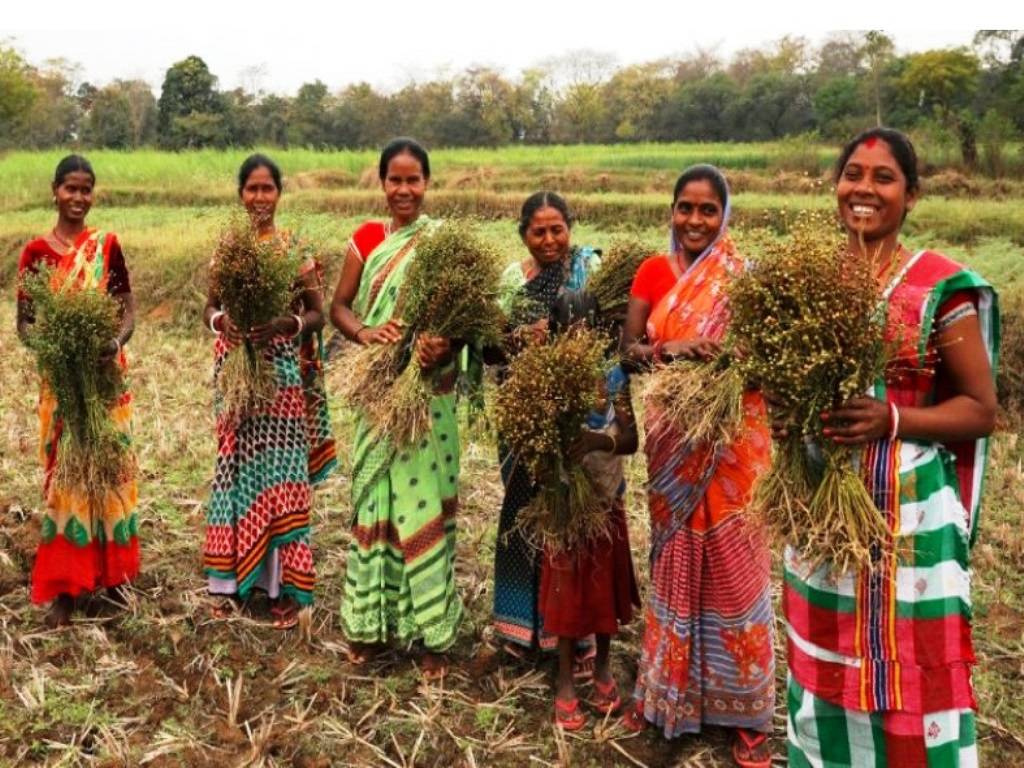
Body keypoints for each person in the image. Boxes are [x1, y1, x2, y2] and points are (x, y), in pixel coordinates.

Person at [782, 128, 998, 768]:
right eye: (853, 173)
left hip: (909, 515)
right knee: (823, 661)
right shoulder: (811, 281)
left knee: (911, 666)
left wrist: (893, 418)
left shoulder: (938, 288)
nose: (864, 189)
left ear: (912, 194)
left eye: (883, 177)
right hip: (823, 511)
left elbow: (980, 411)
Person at [620, 165, 775, 768]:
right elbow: (629, 353)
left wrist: (727, 367)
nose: (694, 221)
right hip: (671, 447)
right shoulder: (654, 273)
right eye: (685, 207)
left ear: (725, 215)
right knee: (675, 563)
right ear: (672, 210)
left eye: (708, 210)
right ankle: (669, 695)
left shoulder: (745, 280)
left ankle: (748, 714)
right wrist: (671, 350)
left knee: (737, 574)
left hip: (732, 451)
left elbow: (764, 366)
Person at [330, 138, 460, 679]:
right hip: (378, 391)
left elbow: (466, 319)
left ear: (427, 183)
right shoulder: (365, 240)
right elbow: (339, 305)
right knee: (375, 502)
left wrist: (446, 345)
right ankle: (369, 627)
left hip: (427, 396)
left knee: (423, 504)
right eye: (394, 180)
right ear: (382, 183)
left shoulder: (442, 243)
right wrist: (364, 331)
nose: (404, 189)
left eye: (414, 180)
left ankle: (431, 635)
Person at [202, 153, 335, 629]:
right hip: (236, 371)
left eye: (268, 188)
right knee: (235, 468)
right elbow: (210, 309)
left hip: (281, 374)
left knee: (280, 472)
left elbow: (318, 313)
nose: (260, 197)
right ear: (241, 194)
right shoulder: (229, 247)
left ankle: (283, 588)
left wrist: (288, 323)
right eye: (252, 189)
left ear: (280, 193)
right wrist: (225, 323)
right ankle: (230, 582)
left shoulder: (295, 247)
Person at [16, 154, 139, 628]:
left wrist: (113, 342)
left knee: (108, 471)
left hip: (105, 381)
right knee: (66, 477)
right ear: (54, 190)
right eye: (70, 188)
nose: (78, 198)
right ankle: (66, 587)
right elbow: (25, 325)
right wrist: (55, 352)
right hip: (63, 383)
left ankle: (113, 578)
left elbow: (127, 308)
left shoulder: (106, 246)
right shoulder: (35, 254)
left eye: (86, 189)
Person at [491, 191, 603, 663]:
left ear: (570, 229)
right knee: (522, 510)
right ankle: (521, 631)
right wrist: (519, 339)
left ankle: (571, 632)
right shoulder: (512, 280)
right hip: (523, 413)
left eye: (558, 229)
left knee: (569, 516)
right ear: (523, 234)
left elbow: (608, 334)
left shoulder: (589, 270)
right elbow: (489, 349)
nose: (550, 239)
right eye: (539, 231)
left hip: (573, 414)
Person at [540, 293, 640, 730]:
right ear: (557, 332)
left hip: (605, 498)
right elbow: (538, 445)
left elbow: (633, 439)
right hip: (565, 505)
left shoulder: (615, 375)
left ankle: (602, 667)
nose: (580, 336)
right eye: (570, 328)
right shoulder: (547, 378)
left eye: (589, 328)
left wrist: (600, 441)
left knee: (603, 590)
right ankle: (565, 680)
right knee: (566, 592)